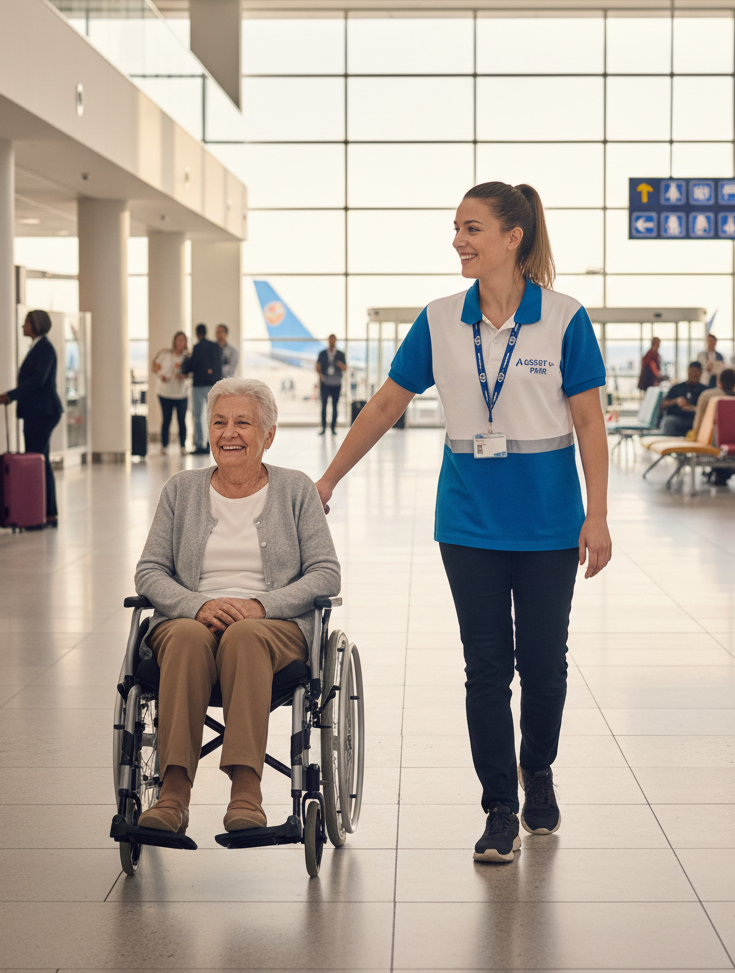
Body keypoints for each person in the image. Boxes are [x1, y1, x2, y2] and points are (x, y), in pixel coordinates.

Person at [316, 181, 611, 864]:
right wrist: (330, 476)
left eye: (472, 228)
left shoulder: (564, 317)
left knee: (544, 669)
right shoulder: (441, 318)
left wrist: (596, 514)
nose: (459, 241)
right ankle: (500, 809)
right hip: (469, 524)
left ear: (514, 236)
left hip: (547, 525)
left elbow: (590, 421)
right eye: (456, 229)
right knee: (486, 670)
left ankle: (536, 768)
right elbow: (387, 404)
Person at [133, 377, 340, 834]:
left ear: (268, 434)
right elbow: (149, 571)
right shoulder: (180, 490)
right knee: (187, 636)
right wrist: (196, 605)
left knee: (245, 635)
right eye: (219, 422)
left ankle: (246, 792)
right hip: (189, 620)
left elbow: (326, 573)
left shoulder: (296, 490)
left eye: (243, 423)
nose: (229, 433)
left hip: (273, 626)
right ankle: (172, 796)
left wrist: (260, 606)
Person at [0, 310, 63, 528]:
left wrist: (11, 395)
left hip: (42, 412)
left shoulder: (44, 349)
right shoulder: (38, 347)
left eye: (26, 323)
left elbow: (37, 381)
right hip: (38, 412)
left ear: (36, 325)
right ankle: (46, 512)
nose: (23, 326)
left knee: (37, 461)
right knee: (40, 461)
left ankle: (42, 514)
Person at [692, 367, 735, 486]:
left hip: (714, 441)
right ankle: (722, 471)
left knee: (715, 437)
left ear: (719, 381)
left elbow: (699, 421)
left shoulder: (708, 396)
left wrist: (695, 438)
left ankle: (719, 470)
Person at [182, 324, 223, 455]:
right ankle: (213, 443)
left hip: (199, 385)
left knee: (198, 415)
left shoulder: (197, 348)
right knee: (213, 416)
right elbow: (219, 366)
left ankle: (200, 444)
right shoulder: (215, 347)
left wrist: (187, 358)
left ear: (197, 333)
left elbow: (189, 367)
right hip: (213, 385)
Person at [152, 331, 190, 454]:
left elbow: (191, 373)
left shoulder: (188, 357)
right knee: (166, 419)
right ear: (174, 341)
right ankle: (164, 445)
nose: (180, 343)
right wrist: (160, 375)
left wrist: (184, 376)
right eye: (178, 340)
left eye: (183, 340)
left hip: (181, 393)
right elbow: (155, 366)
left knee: (181, 420)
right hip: (165, 393)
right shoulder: (165, 354)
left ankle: (183, 446)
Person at [660, 362, 706, 437]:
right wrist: (675, 401)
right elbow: (662, 404)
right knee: (669, 422)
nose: (693, 374)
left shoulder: (704, 391)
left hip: (695, 420)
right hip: (677, 418)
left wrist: (694, 408)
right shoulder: (677, 388)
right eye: (691, 372)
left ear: (700, 373)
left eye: (696, 372)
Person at [316, 334, 347, 435]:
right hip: (325, 383)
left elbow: (345, 367)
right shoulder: (322, 354)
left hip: (336, 383)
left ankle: (333, 428)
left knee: (335, 406)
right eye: (330, 339)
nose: (332, 341)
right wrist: (320, 374)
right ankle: (324, 428)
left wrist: (341, 366)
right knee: (324, 406)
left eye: (333, 339)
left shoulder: (341, 354)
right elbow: (318, 366)